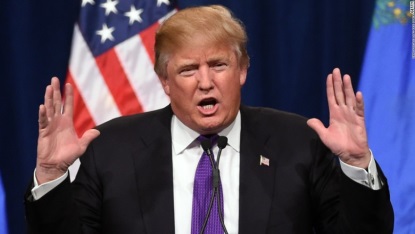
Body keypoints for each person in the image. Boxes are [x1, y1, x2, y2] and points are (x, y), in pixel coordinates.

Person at [25, 4, 393, 234]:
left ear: (243, 70)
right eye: (188, 70)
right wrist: (51, 176)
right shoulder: (110, 149)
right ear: (165, 82)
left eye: (218, 65)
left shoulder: (296, 141)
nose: (205, 82)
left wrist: (357, 164)